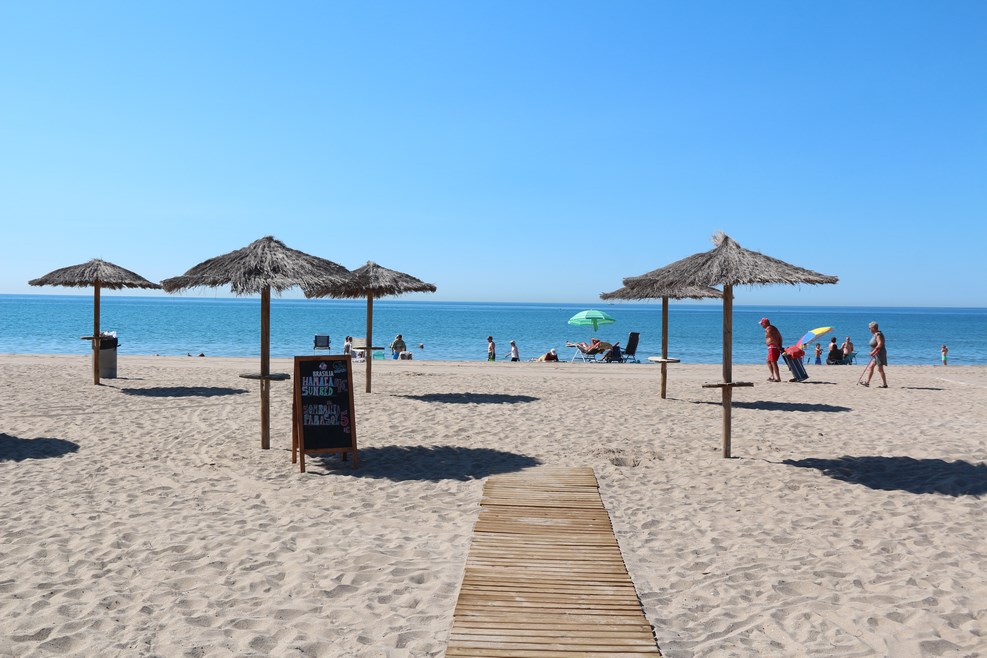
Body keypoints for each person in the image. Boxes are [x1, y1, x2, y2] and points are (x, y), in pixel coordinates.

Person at [860, 321, 888, 388]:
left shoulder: (878, 334)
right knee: (871, 367)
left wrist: (873, 352)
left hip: (879, 354)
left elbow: (880, 344)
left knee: (880, 369)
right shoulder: (875, 334)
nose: (869, 329)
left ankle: (885, 384)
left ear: (873, 328)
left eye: (869, 328)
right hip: (876, 355)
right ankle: (867, 382)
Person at [758, 318, 783, 382]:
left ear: (765, 323)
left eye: (762, 324)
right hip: (773, 347)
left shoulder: (769, 329)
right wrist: (780, 345)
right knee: (768, 360)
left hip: (773, 347)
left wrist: (778, 347)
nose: (761, 325)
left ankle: (778, 378)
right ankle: (772, 376)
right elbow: (780, 337)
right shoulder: (773, 328)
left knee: (773, 362)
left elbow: (773, 339)